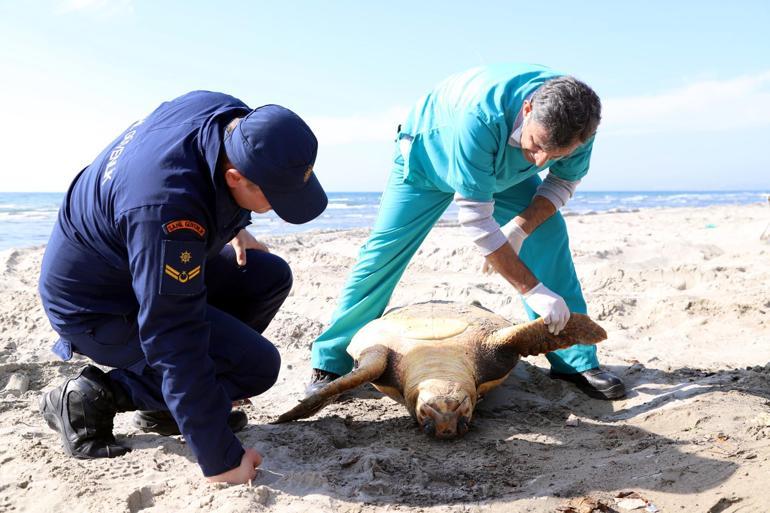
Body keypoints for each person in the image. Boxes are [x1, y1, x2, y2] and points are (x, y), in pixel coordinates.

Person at [38, 91, 327, 484]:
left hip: (134, 258)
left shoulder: (223, 116)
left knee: (265, 276)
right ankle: (93, 394)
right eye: (274, 199)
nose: (277, 207)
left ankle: (164, 406)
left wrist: (234, 224)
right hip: (96, 304)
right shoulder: (166, 210)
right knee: (256, 367)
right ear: (235, 178)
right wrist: (222, 460)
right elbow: (172, 335)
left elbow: (198, 181)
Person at [308, 63, 625, 401]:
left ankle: (574, 361)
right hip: (428, 158)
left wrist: (519, 228)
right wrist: (533, 289)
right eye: (536, 145)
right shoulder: (480, 117)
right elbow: (475, 219)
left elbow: (562, 181)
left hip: (500, 170)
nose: (540, 161)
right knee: (383, 253)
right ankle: (331, 360)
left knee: (548, 233)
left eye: (555, 154)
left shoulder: (578, 126)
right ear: (528, 109)